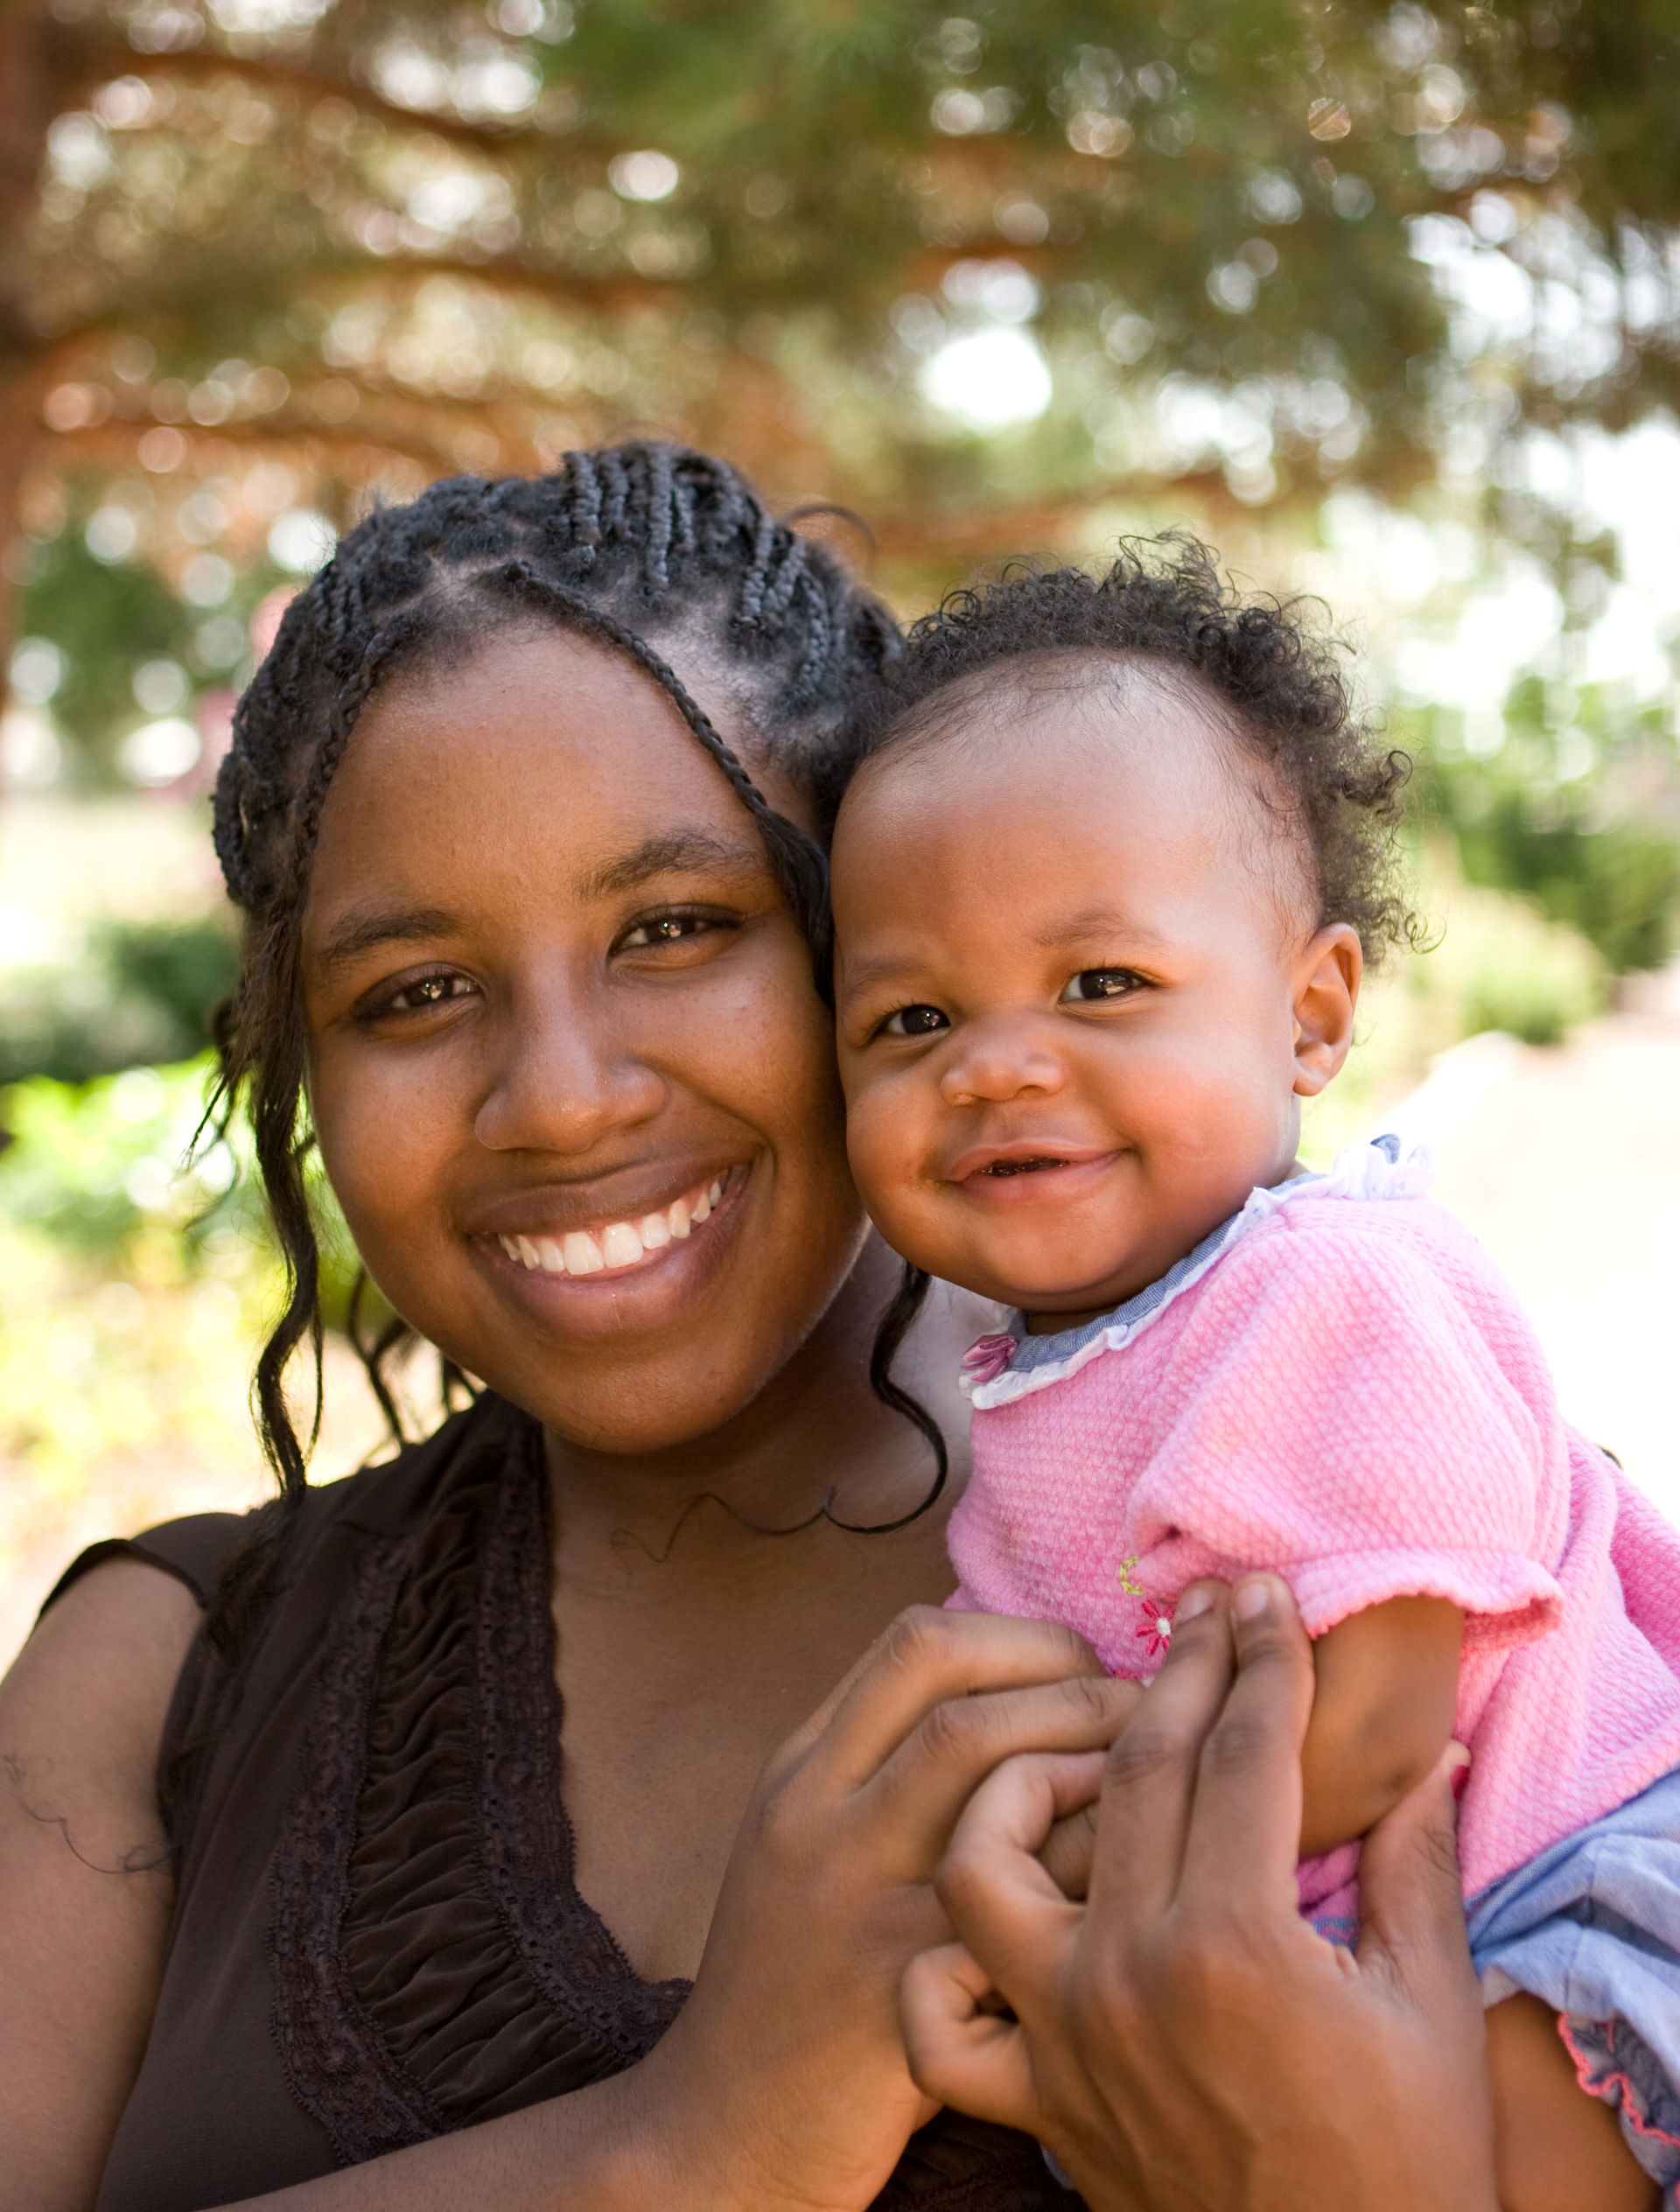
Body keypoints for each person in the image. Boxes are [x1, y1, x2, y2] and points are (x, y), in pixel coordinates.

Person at [0, 448, 1502, 2212]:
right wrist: (692, 2146)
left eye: (678, 927)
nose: (558, 1102)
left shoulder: (1401, 1547)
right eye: (413, 992)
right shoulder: (151, 1683)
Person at [828, 543, 1680, 2212]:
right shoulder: (1034, 1372)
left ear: (1308, 1015)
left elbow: (1368, 1739)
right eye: (911, 1020)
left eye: (1102, 984)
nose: (998, 1062)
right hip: (1258, 1951)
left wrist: (1011, 1879)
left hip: (1548, 1896)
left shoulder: (1332, 1295)